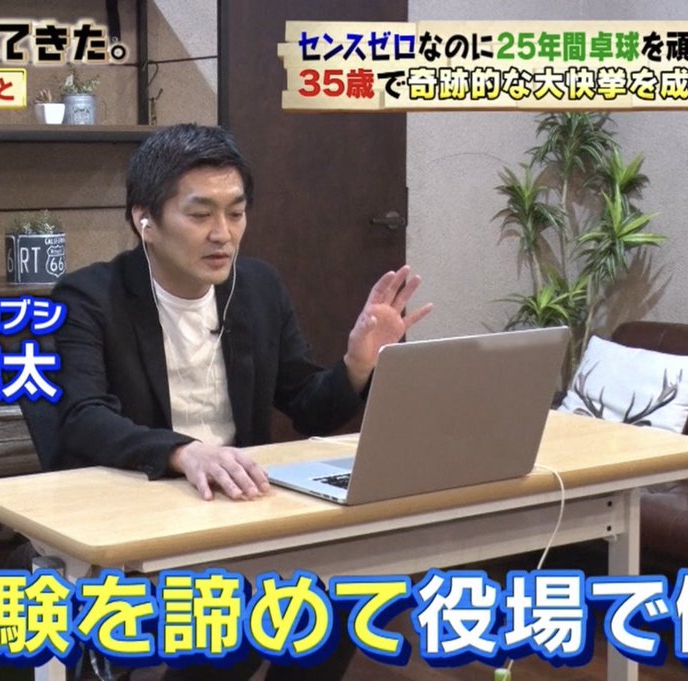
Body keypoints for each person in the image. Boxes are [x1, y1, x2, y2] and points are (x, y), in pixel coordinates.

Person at [49, 123, 432, 680]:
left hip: (239, 514)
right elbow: (84, 418)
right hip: (142, 519)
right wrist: (184, 452)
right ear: (145, 220)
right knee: (236, 632)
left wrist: (357, 363)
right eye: (201, 214)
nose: (223, 234)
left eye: (236, 212)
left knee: (342, 603)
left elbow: (308, 405)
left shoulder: (257, 288)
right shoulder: (89, 297)